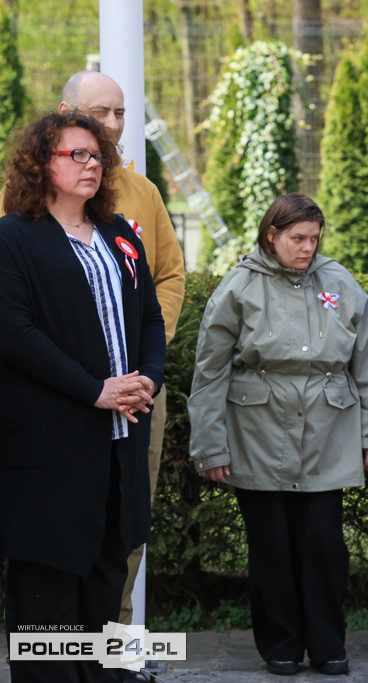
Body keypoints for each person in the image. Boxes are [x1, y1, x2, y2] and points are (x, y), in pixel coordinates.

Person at [188, 194, 368, 677]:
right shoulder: (239, 287)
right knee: (271, 545)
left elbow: (366, 362)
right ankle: (281, 646)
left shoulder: (338, 281)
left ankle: (327, 644)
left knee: (324, 544)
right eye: (297, 238)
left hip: (328, 430)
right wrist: (210, 445)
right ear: (271, 235)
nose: (307, 248)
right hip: (257, 430)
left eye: (314, 238)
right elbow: (210, 373)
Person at [0, 111, 165, 682]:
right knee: (47, 594)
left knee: (105, 577)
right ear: (40, 163)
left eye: (98, 156)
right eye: (77, 154)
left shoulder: (119, 234)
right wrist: (94, 390)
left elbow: (149, 318)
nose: (92, 164)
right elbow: (14, 332)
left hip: (120, 440)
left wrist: (148, 378)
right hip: (49, 445)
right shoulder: (13, 237)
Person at [59, 70, 186, 626]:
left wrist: (146, 364)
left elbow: (170, 276)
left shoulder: (142, 192)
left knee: (128, 519)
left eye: (120, 113)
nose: (112, 125)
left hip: (136, 388)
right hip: (62, 390)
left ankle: (115, 647)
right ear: (66, 113)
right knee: (60, 521)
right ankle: (60, 649)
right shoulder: (25, 195)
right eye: (99, 113)